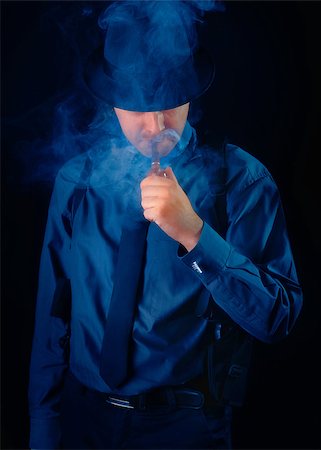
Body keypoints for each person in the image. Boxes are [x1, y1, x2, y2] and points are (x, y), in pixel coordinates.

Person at [28, 2, 303, 449]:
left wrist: (195, 235)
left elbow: (278, 318)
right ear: (113, 101)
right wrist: (43, 429)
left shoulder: (241, 181)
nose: (156, 126)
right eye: (138, 107)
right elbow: (51, 321)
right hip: (85, 424)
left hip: (186, 430)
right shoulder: (76, 182)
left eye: (169, 102)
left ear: (191, 93)